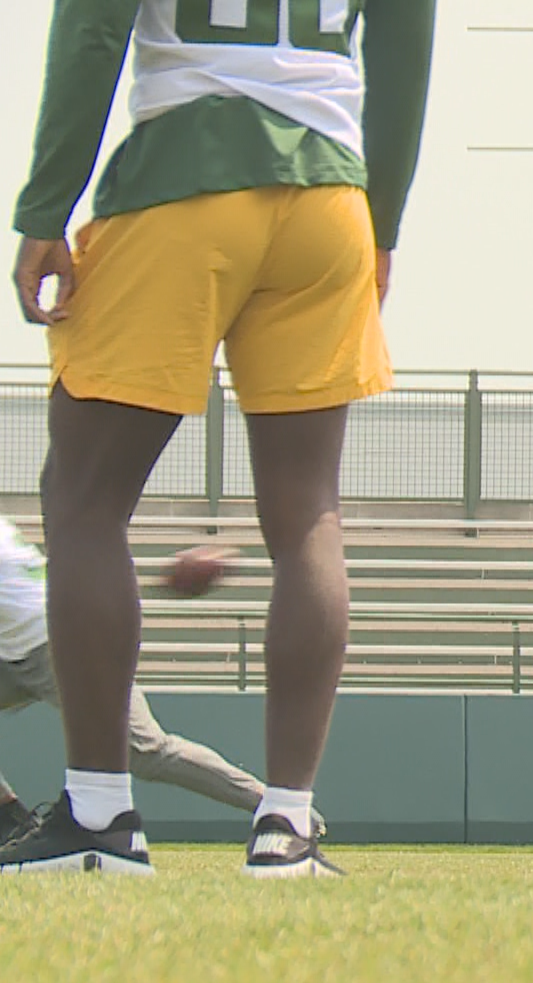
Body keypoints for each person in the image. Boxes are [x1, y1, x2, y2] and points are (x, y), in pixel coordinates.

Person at [5, 1, 434, 877]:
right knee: (310, 514)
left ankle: (98, 819)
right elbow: (405, 57)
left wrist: (47, 205)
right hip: (330, 199)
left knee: (85, 501)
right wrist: (381, 224)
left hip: (182, 179)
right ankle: (287, 826)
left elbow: (92, 31)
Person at [0, 517, 323, 847]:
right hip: (14, 653)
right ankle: (10, 821)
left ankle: (277, 809)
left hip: (65, 646)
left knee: (149, 753)